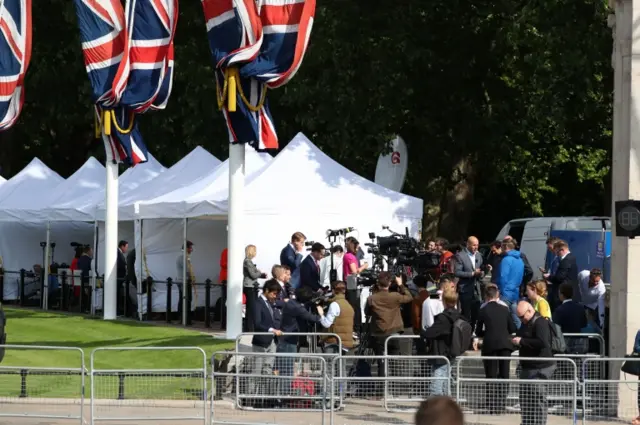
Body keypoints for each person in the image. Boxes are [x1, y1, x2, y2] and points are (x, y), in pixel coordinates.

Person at [473, 285, 516, 414]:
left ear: (486, 296)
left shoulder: (483, 310)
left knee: (491, 375)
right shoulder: (505, 309)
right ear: (497, 295)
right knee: (504, 374)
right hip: (505, 344)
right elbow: (512, 328)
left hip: (490, 345)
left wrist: (485, 333)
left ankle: (491, 404)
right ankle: (501, 404)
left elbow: (478, 330)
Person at [276, 287, 326, 394]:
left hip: (285, 338)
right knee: (287, 369)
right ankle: (284, 394)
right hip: (289, 340)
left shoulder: (291, 303)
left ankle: (283, 393)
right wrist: (321, 314)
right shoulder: (297, 308)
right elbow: (312, 318)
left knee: (284, 368)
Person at [513, 301, 556, 425]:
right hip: (528, 367)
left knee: (537, 399)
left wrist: (522, 341)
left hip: (540, 367)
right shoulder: (525, 323)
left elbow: (542, 343)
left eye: (522, 317)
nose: (521, 320)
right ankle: (527, 422)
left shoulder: (541, 322)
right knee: (526, 400)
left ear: (530, 311)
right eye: (519, 317)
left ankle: (539, 423)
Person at [366, 271, 413, 376]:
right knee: (395, 362)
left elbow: (367, 313)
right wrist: (401, 284)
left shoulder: (371, 299)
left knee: (381, 363)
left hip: (379, 333)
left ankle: (382, 388)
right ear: (390, 284)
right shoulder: (395, 296)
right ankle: (394, 387)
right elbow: (409, 297)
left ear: (378, 284)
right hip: (394, 331)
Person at [421, 289, 462, 395]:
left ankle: (438, 404)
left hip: (440, 352)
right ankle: (446, 404)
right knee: (445, 380)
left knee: (437, 381)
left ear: (444, 300)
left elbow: (430, 333)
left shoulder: (443, 318)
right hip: (451, 351)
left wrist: (423, 331)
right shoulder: (458, 315)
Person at [248, 279, 282, 402]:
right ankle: (251, 397)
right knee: (256, 370)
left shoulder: (271, 303)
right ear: (266, 291)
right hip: (261, 341)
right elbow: (257, 323)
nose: (275, 296)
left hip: (272, 341)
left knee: (268, 370)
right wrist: (271, 330)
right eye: (273, 293)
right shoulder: (258, 303)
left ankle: (265, 397)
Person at [453, 236, 484, 328]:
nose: (476, 247)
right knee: (466, 313)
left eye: (477, 245)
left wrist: (483, 272)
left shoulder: (478, 255)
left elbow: (481, 270)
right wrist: (472, 273)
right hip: (465, 289)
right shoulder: (460, 256)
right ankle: (464, 332)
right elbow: (457, 272)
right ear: (468, 244)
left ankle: (473, 330)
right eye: (474, 245)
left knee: (476, 312)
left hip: (477, 289)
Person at [497, 239, 525, 328]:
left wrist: (500, 291)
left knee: (501, 318)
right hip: (515, 292)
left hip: (505, 292)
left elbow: (503, 277)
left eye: (501, 247)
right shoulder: (520, 260)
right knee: (516, 317)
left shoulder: (506, 259)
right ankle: (520, 335)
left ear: (505, 247)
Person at [553, 282, 588, 353]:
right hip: (579, 342)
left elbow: (555, 327)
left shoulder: (559, 310)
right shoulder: (580, 307)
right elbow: (584, 324)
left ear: (561, 294)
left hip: (564, 342)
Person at [544, 239, 579, 309]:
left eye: (557, 252)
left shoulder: (566, 260)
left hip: (564, 293)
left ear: (562, 250)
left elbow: (559, 277)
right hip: (570, 292)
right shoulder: (572, 257)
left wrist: (548, 277)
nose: (556, 254)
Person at [343, 237, 368, 330]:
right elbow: (354, 271)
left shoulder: (348, 256)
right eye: (357, 248)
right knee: (355, 306)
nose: (358, 250)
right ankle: (356, 326)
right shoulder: (349, 256)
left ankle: (356, 325)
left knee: (356, 305)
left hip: (351, 281)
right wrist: (364, 266)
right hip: (351, 281)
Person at [243, 245, 267, 332]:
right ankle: (250, 327)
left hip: (252, 286)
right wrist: (260, 273)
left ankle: (250, 327)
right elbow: (253, 275)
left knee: (251, 308)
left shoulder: (249, 262)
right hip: (249, 286)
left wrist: (260, 274)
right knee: (251, 308)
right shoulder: (247, 262)